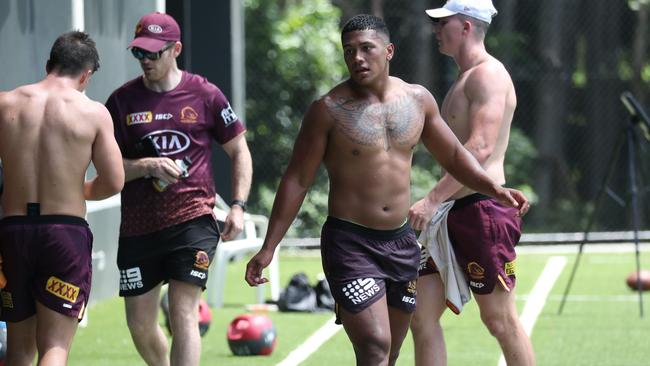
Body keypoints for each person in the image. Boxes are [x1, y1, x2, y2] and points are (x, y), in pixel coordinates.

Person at [245, 14, 529, 366]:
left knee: (391, 350)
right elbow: (297, 179)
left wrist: (494, 189)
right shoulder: (327, 110)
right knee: (375, 346)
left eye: (367, 48)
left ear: (389, 51)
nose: (358, 58)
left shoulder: (418, 100)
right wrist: (269, 246)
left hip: (401, 243)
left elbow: (456, 155)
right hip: (350, 244)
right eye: (349, 51)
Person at [105, 12, 252, 366]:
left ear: (176, 50)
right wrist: (147, 166)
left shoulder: (205, 94)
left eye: (154, 53)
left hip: (193, 221)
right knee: (139, 324)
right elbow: (107, 170)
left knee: (183, 312)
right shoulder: (121, 102)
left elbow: (240, 152)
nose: (145, 61)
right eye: (139, 53)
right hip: (138, 228)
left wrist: (237, 205)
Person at [408, 1, 536, 365]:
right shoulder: (464, 78)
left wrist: (431, 198)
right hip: (451, 211)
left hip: (481, 211)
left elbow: (479, 147)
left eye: (443, 22)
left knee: (499, 319)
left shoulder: (488, 75)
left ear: (465, 26)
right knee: (421, 314)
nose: (436, 30)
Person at [0, 31, 124, 365]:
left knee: (18, 350)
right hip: (63, 233)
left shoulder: (5, 103)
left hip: (12, 232)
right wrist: (79, 190)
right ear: (86, 75)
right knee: (55, 346)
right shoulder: (93, 112)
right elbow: (114, 181)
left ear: (48, 64)